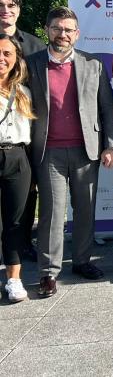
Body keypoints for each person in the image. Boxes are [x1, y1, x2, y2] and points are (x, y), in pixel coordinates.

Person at [27, 7, 113, 297]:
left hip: (86, 150)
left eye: (68, 30)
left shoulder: (92, 64)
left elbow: (107, 108)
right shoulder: (31, 65)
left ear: (77, 34)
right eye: (57, 28)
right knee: (52, 214)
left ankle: (81, 261)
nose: (62, 34)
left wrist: (111, 144)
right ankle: (48, 272)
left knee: (85, 209)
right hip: (48, 152)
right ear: (47, 30)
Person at [1, 0, 45, 262]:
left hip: (25, 131)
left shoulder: (34, 45)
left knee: (27, 190)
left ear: (19, 9)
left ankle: (24, 242)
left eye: (11, 6)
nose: (6, 11)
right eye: (1, 6)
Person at [0, 33, 35, 302]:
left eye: (7, 54)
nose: (2, 59)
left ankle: (14, 279)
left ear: (15, 59)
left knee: (16, 221)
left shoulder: (24, 92)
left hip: (18, 157)